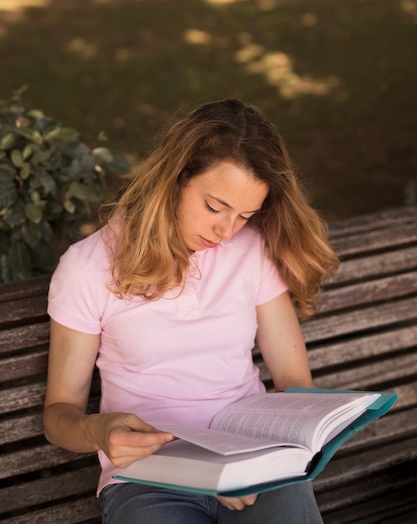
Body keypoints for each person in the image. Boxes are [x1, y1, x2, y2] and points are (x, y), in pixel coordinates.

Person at [43, 98, 338, 523]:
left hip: (251, 465)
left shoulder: (251, 249)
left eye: (245, 214)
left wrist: (265, 458)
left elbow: (295, 384)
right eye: (215, 207)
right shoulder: (87, 267)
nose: (226, 231)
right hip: (149, 476)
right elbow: (59, 415)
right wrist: (99, 431)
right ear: (174, 178)